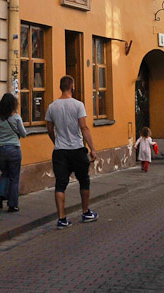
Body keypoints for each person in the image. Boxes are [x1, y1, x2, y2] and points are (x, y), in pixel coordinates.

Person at [46, 75, 98, 229]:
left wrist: (56, 141)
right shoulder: (78, 105)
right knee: (84, 180)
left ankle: (61, 219)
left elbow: (49, 128)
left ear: (60, 87)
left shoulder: (52, 106)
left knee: (60, 184)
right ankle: (86, 212)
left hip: (60, 151)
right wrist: (92, 148)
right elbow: (84, 127)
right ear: (72, 86)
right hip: (77, 149)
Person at [0, 92, 27, 212]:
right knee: (14, 177)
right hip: (13, 149)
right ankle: (12, 205)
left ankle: (0, 195)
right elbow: (23, 134)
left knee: (4, 173)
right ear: (13, 105)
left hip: (0, 149)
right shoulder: (16, 117)